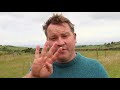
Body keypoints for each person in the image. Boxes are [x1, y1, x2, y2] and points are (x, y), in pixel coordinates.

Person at [24, 14, 109, 78]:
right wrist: (33, 75)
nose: (60, 42)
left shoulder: (95, 68)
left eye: (65, 36)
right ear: (48, 42)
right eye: (53, 38)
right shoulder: (41, 68)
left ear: (74, 37)